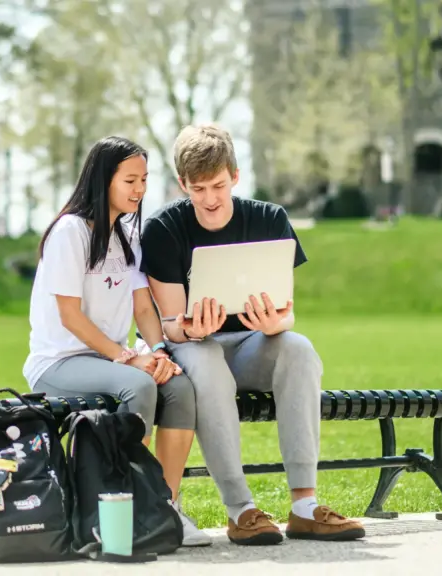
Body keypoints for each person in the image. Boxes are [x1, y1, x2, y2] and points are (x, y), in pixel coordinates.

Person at [140, 124, 366, 546]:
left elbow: (287, 316)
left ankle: (304, 505)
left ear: (236, 176)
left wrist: (272, 324)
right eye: (199, 189)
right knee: (206, 362)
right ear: (182, 184)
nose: (210, 199)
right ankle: (241, 509)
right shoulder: (163, 229)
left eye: (219, 186)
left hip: (249, 344)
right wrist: (190, 329)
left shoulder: (269, 218)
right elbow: (169, 322)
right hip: (195, 347)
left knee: (298, 350)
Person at [24, 136, 211, 547]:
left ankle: (166, 507)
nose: (139, 190)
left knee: (178, 386)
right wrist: (127, 359)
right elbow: (69, 316)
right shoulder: (69, 232)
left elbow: (144, 309)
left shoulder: (125, 235)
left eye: (144, 179)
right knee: (139, 384)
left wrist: (159, 351)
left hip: (109, 361)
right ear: (103, 179)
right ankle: (126, 509)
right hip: (59, 362)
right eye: (130, 180)